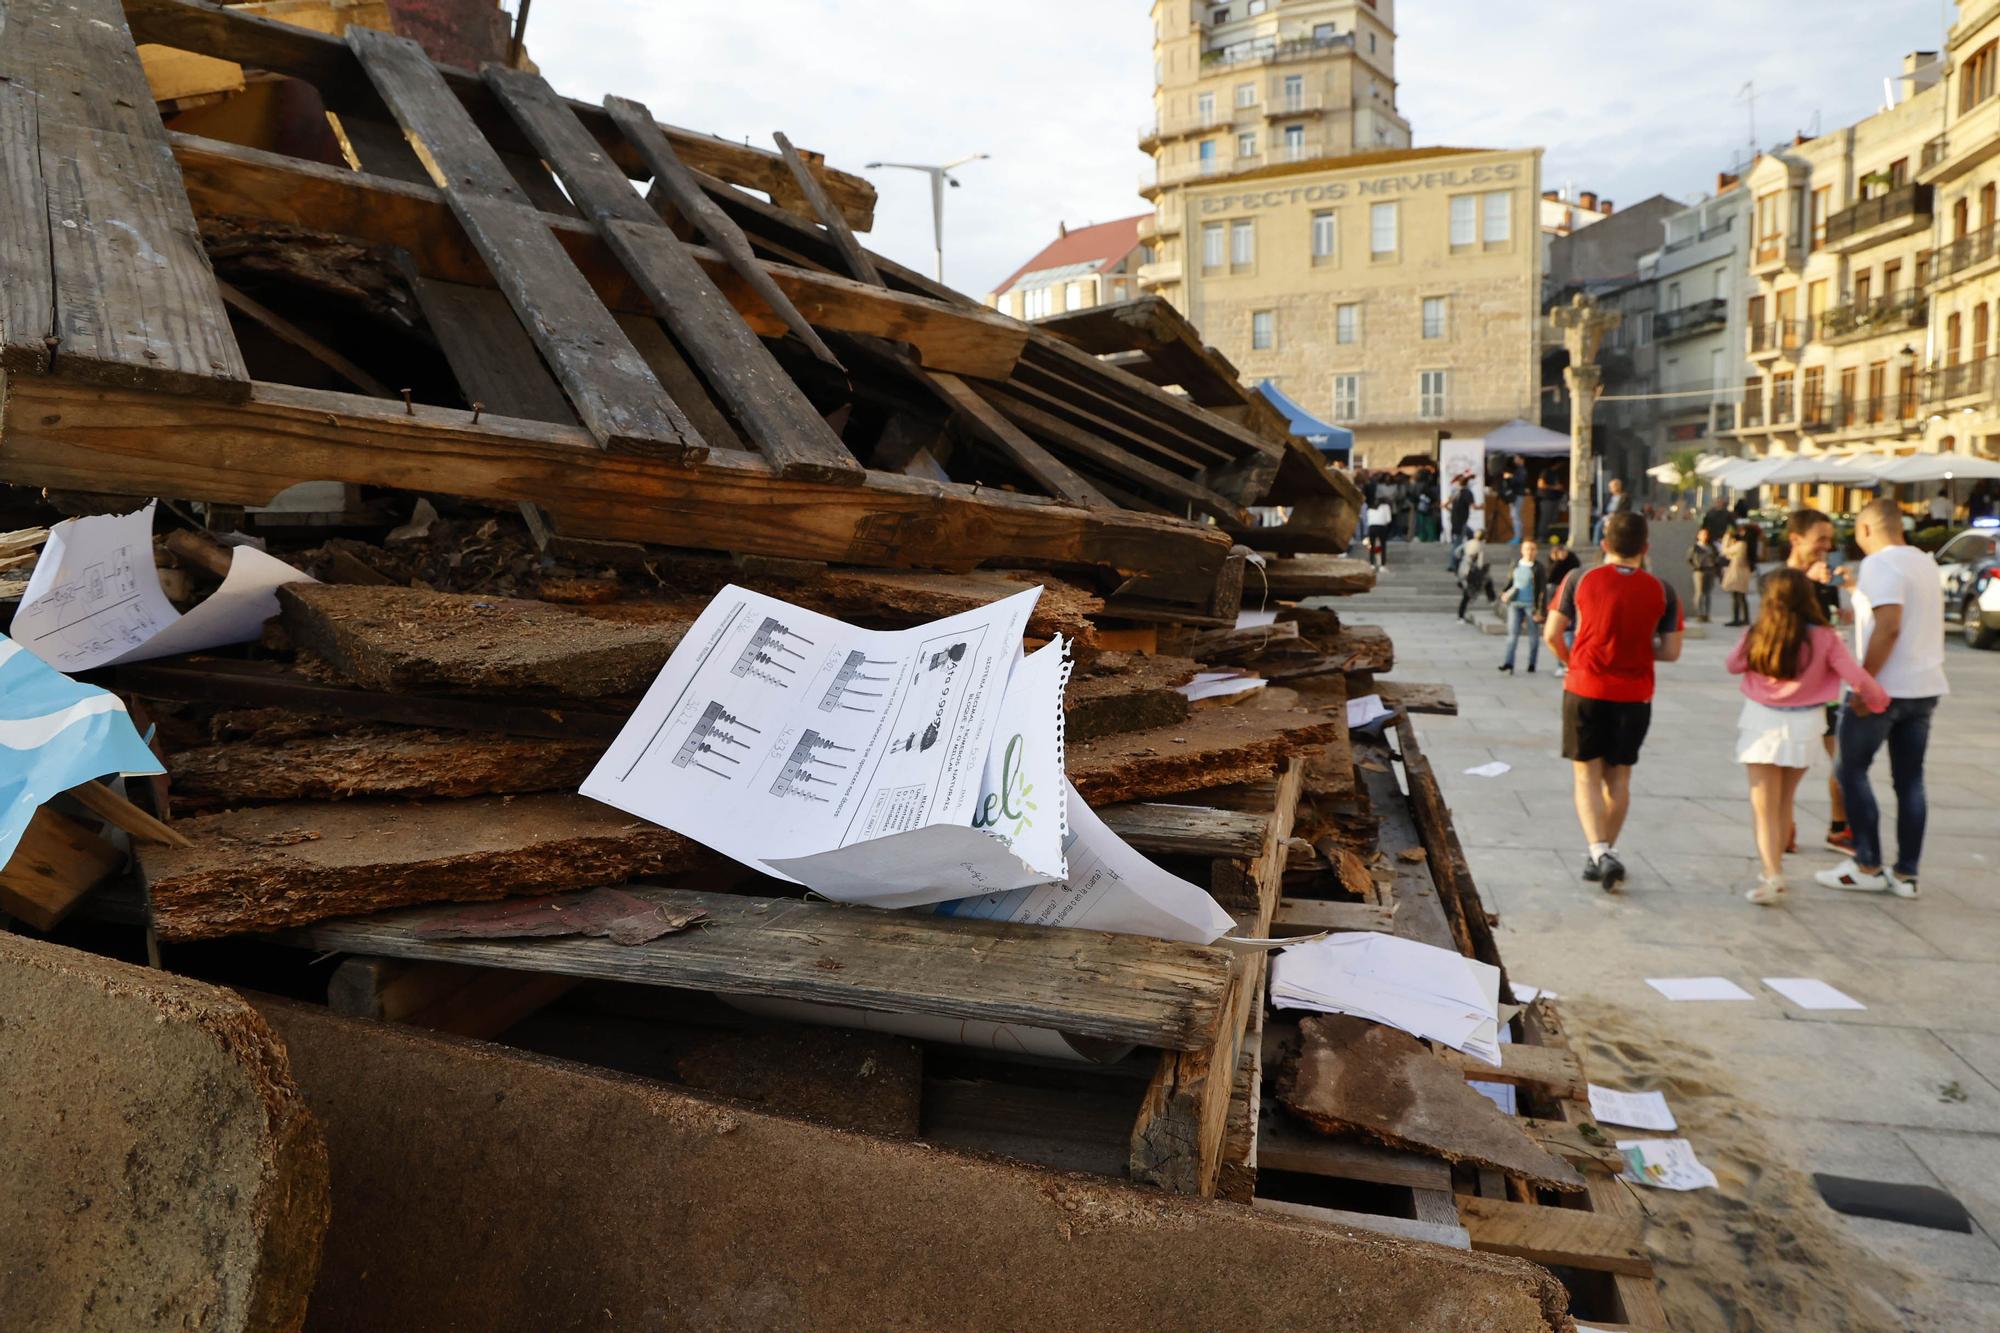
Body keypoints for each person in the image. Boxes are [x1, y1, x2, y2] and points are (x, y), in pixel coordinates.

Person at [1727, 569, 1890, 905]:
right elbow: (1856, 676)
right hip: (1806, 725)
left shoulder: (1758, 632)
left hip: (1762, 723)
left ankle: (1772, 873)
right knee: (1784, 801)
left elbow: (1732, 665)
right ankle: (1774, 869)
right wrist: (1880, 702)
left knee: (1763, 806)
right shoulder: (1825, 637)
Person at [1542, 511, 1685, 891]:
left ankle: (1598, 851)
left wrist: (1573, 662)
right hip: (1635, 694)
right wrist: (1635, 649)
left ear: (1604, 544)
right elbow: (1671, 651)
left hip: (1585, 687)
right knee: (1619, 777)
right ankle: (1605, 852)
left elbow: (1552, 634)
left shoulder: (1578, 579)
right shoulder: (1663, 590)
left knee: (1585, 773)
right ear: (1645, 547)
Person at [1817, 497, 1949, 898]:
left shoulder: (1878, 563)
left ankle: (1868, 864)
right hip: (1925, 687)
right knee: (1910, 781)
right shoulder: (1925, 562)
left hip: (1885, 691)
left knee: (1849, 769)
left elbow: (1888, 627)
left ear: (1867, 529)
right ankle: (1907, 874)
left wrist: (1865, 683)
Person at [1784, 508, 1853, 855]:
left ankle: (1839, 827)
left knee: (1843, 758)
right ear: (1796, 539)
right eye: (1820, 539)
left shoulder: (1825, 584)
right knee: (1786, 767)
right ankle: (1783, 827)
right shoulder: (1779, 583)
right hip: (1789, 695)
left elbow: (1830, 632)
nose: (1828, 546)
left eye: (1830, 539)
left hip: (1827, 692)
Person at [1497, 537, 1547, 674]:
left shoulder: (1538, 568)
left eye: (1532, 549)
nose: (1529, 552)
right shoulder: (1516, 564)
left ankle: (1532, 663)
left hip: (1531, 605)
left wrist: (1541, 610)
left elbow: (1542, 590)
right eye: (1527, 548)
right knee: (1512, 635)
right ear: (1522, 550)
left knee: (1533, 636)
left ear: (1536, 551)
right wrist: (1503, 593)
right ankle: (1509, 662)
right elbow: (1510, 581)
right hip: (1514, 604)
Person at [1544, 535, 1581, 678]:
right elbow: (1550, 576)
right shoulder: (1552, 558)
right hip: (1556, 592)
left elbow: (1575, 572)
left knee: (1569, 633)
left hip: (1570, 592)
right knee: (1561, 633)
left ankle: (1568, 664)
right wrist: (1557, 561)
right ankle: (1563, 664)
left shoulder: (1572, 558)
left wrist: (1566, 559)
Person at [1686, 526, 1722, 623]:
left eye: (1706, 534)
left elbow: (1716, 558)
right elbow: (1689, 559)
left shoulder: (1711, 548)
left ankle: (1706, 614)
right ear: (1698, 536)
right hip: (1699, 572)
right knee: (1699, 593)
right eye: (1702, 534)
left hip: (1709, 571)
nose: (1705, 536)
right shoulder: (1695, 548)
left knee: (1708, 593)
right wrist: (1696, 566)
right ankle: (1699, 614)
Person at [1456, 533, 1493, 623]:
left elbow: (1457, 552)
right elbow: (1480, 561)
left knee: (1466, 595)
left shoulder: (1468, 543)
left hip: (1463, 568)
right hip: (1471, 573)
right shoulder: (1480, 546)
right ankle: (1491, 599)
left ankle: (1461, 615)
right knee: (1467, 595)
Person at [1721, 525, 1753, 626]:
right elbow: (1729, 555)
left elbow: (1725, 551)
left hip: (1737, 573)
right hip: (1741, 571)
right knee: (1741, 596)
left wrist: (1726, 538)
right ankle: (1744, 618)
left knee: (1737, 596)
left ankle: (1737, 619)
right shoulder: (1745, 544)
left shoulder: (1741, 544)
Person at [1500, 455, 1527, 543]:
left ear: (1521, 459)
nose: (1514, 460)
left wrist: (1511, 476)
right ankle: (1518, 536)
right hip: (1515, 495)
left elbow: (1521, 481)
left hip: (1518, 495)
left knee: (1516, 515)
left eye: (1516, 459)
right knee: (1515, 515)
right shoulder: (1517, 469)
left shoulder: (1522, 470)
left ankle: (1518, 537)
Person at [1366, 495, 1394, 569]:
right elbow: (1389, 520)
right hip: (1381, 527)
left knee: (1372, 546)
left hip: (1371, 527)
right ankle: (1382, 565)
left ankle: (1372, 564)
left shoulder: (1370, 507)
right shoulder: (1386, 507)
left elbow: (1368, 520)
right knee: (1383, 546)